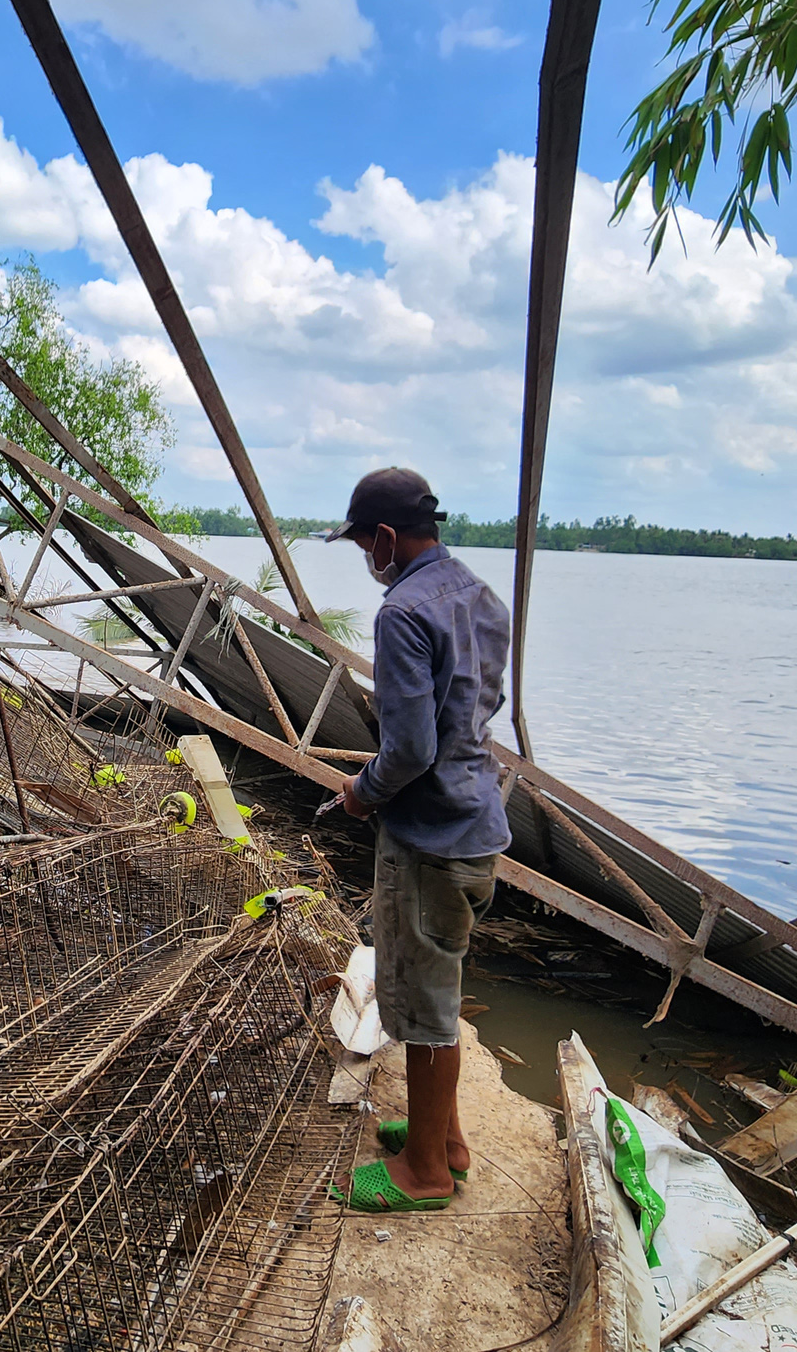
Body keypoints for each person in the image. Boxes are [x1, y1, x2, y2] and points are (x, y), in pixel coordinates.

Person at [323, 467, 511, 1213]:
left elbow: (409, 750)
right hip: (476, 827)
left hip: (429, 838)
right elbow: (471, 713)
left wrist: (360, 794)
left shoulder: (401, 611)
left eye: (365, 543)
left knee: (423, 1006)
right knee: (441, 991)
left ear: (388, 538)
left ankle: (426, 1174)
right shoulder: (477, 593)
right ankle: (446, 1140)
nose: (367, 557)